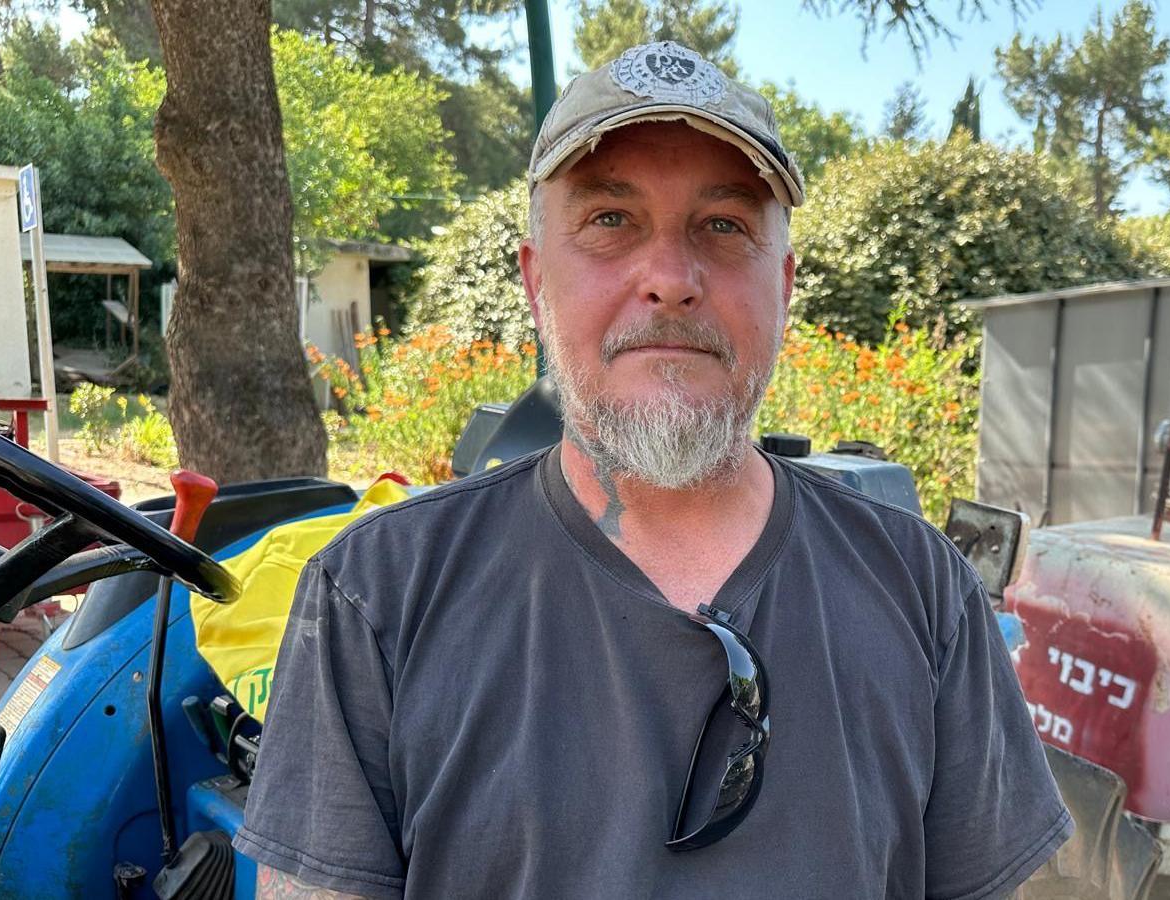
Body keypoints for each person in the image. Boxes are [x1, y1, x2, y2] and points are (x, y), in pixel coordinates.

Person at [238, 40, 1072, 900]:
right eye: (610, 220)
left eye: (724, 225)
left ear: (783, 285)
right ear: (536, 283)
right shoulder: (377, 594)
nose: (671, 279)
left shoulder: (923, 588)